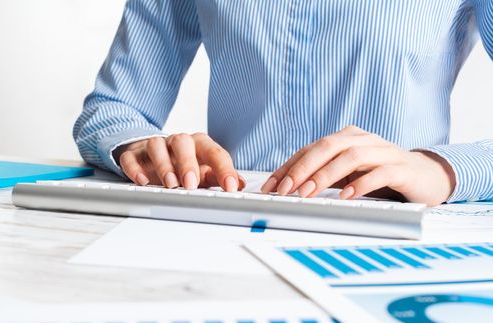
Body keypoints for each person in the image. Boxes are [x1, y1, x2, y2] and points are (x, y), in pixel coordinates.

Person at [74, 0, 492, 206]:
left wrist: (439, 169)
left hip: (399, 231)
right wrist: (140, 149)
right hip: (225, 222)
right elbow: (113, 108)